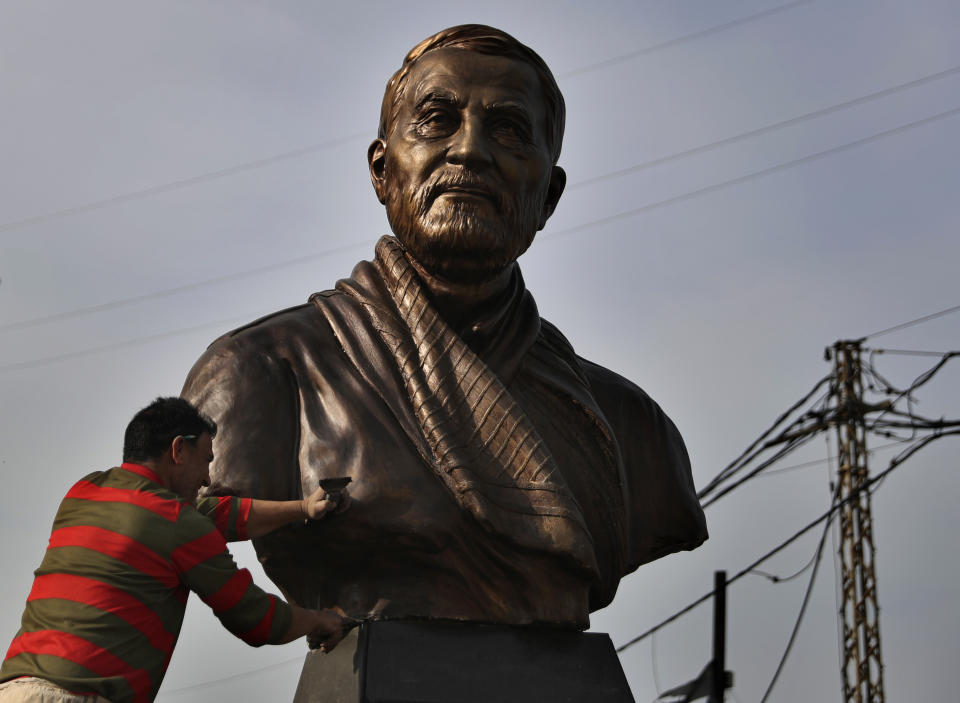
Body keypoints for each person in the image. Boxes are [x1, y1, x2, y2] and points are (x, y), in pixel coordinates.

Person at [182, 24, 707, 629]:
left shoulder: (630, 425)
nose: (469, 151)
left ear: (550, 196)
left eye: (509, 130)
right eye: (437, 120)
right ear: (382, 170)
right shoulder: (264, 372)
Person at [0, 397, 351, 703]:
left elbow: (214, 516)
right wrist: (318, 619)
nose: (207, 479)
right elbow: (257, 620)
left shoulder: (83, 493)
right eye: (206, 460)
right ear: (178, 450)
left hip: (13, 689)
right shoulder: (177, 524)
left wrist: (303, 508)